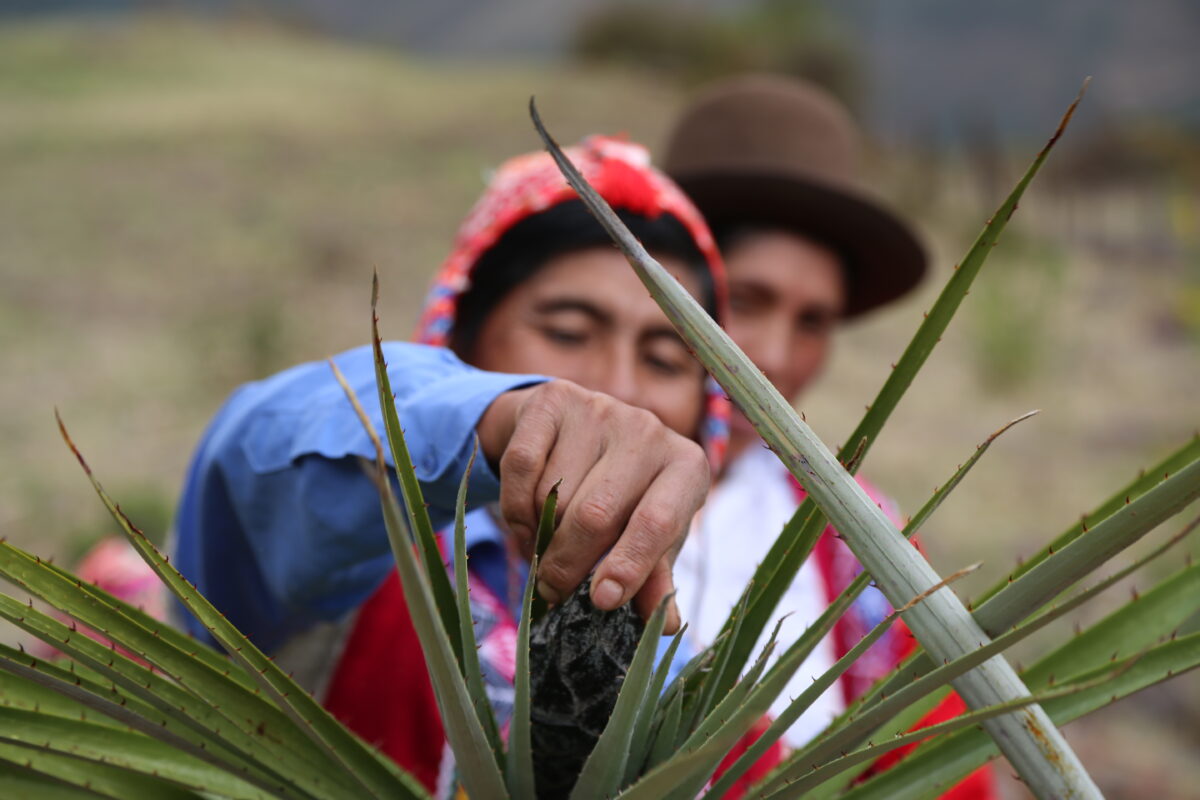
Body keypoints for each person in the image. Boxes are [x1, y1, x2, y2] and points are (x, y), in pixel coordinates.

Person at [171, 135, 769, 792]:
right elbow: (257, 458)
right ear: (459, 336)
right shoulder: (352, 561)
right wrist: (502, 417)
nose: (613, 388)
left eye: (664, 360)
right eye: (568, 331)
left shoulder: (693, 685)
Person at [662, 75, 996, 796]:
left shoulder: (858, 542)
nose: (777, 358)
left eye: (813, 322)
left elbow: (934, 766)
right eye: (745, 300)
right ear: (658, 283)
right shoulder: (518, 497)